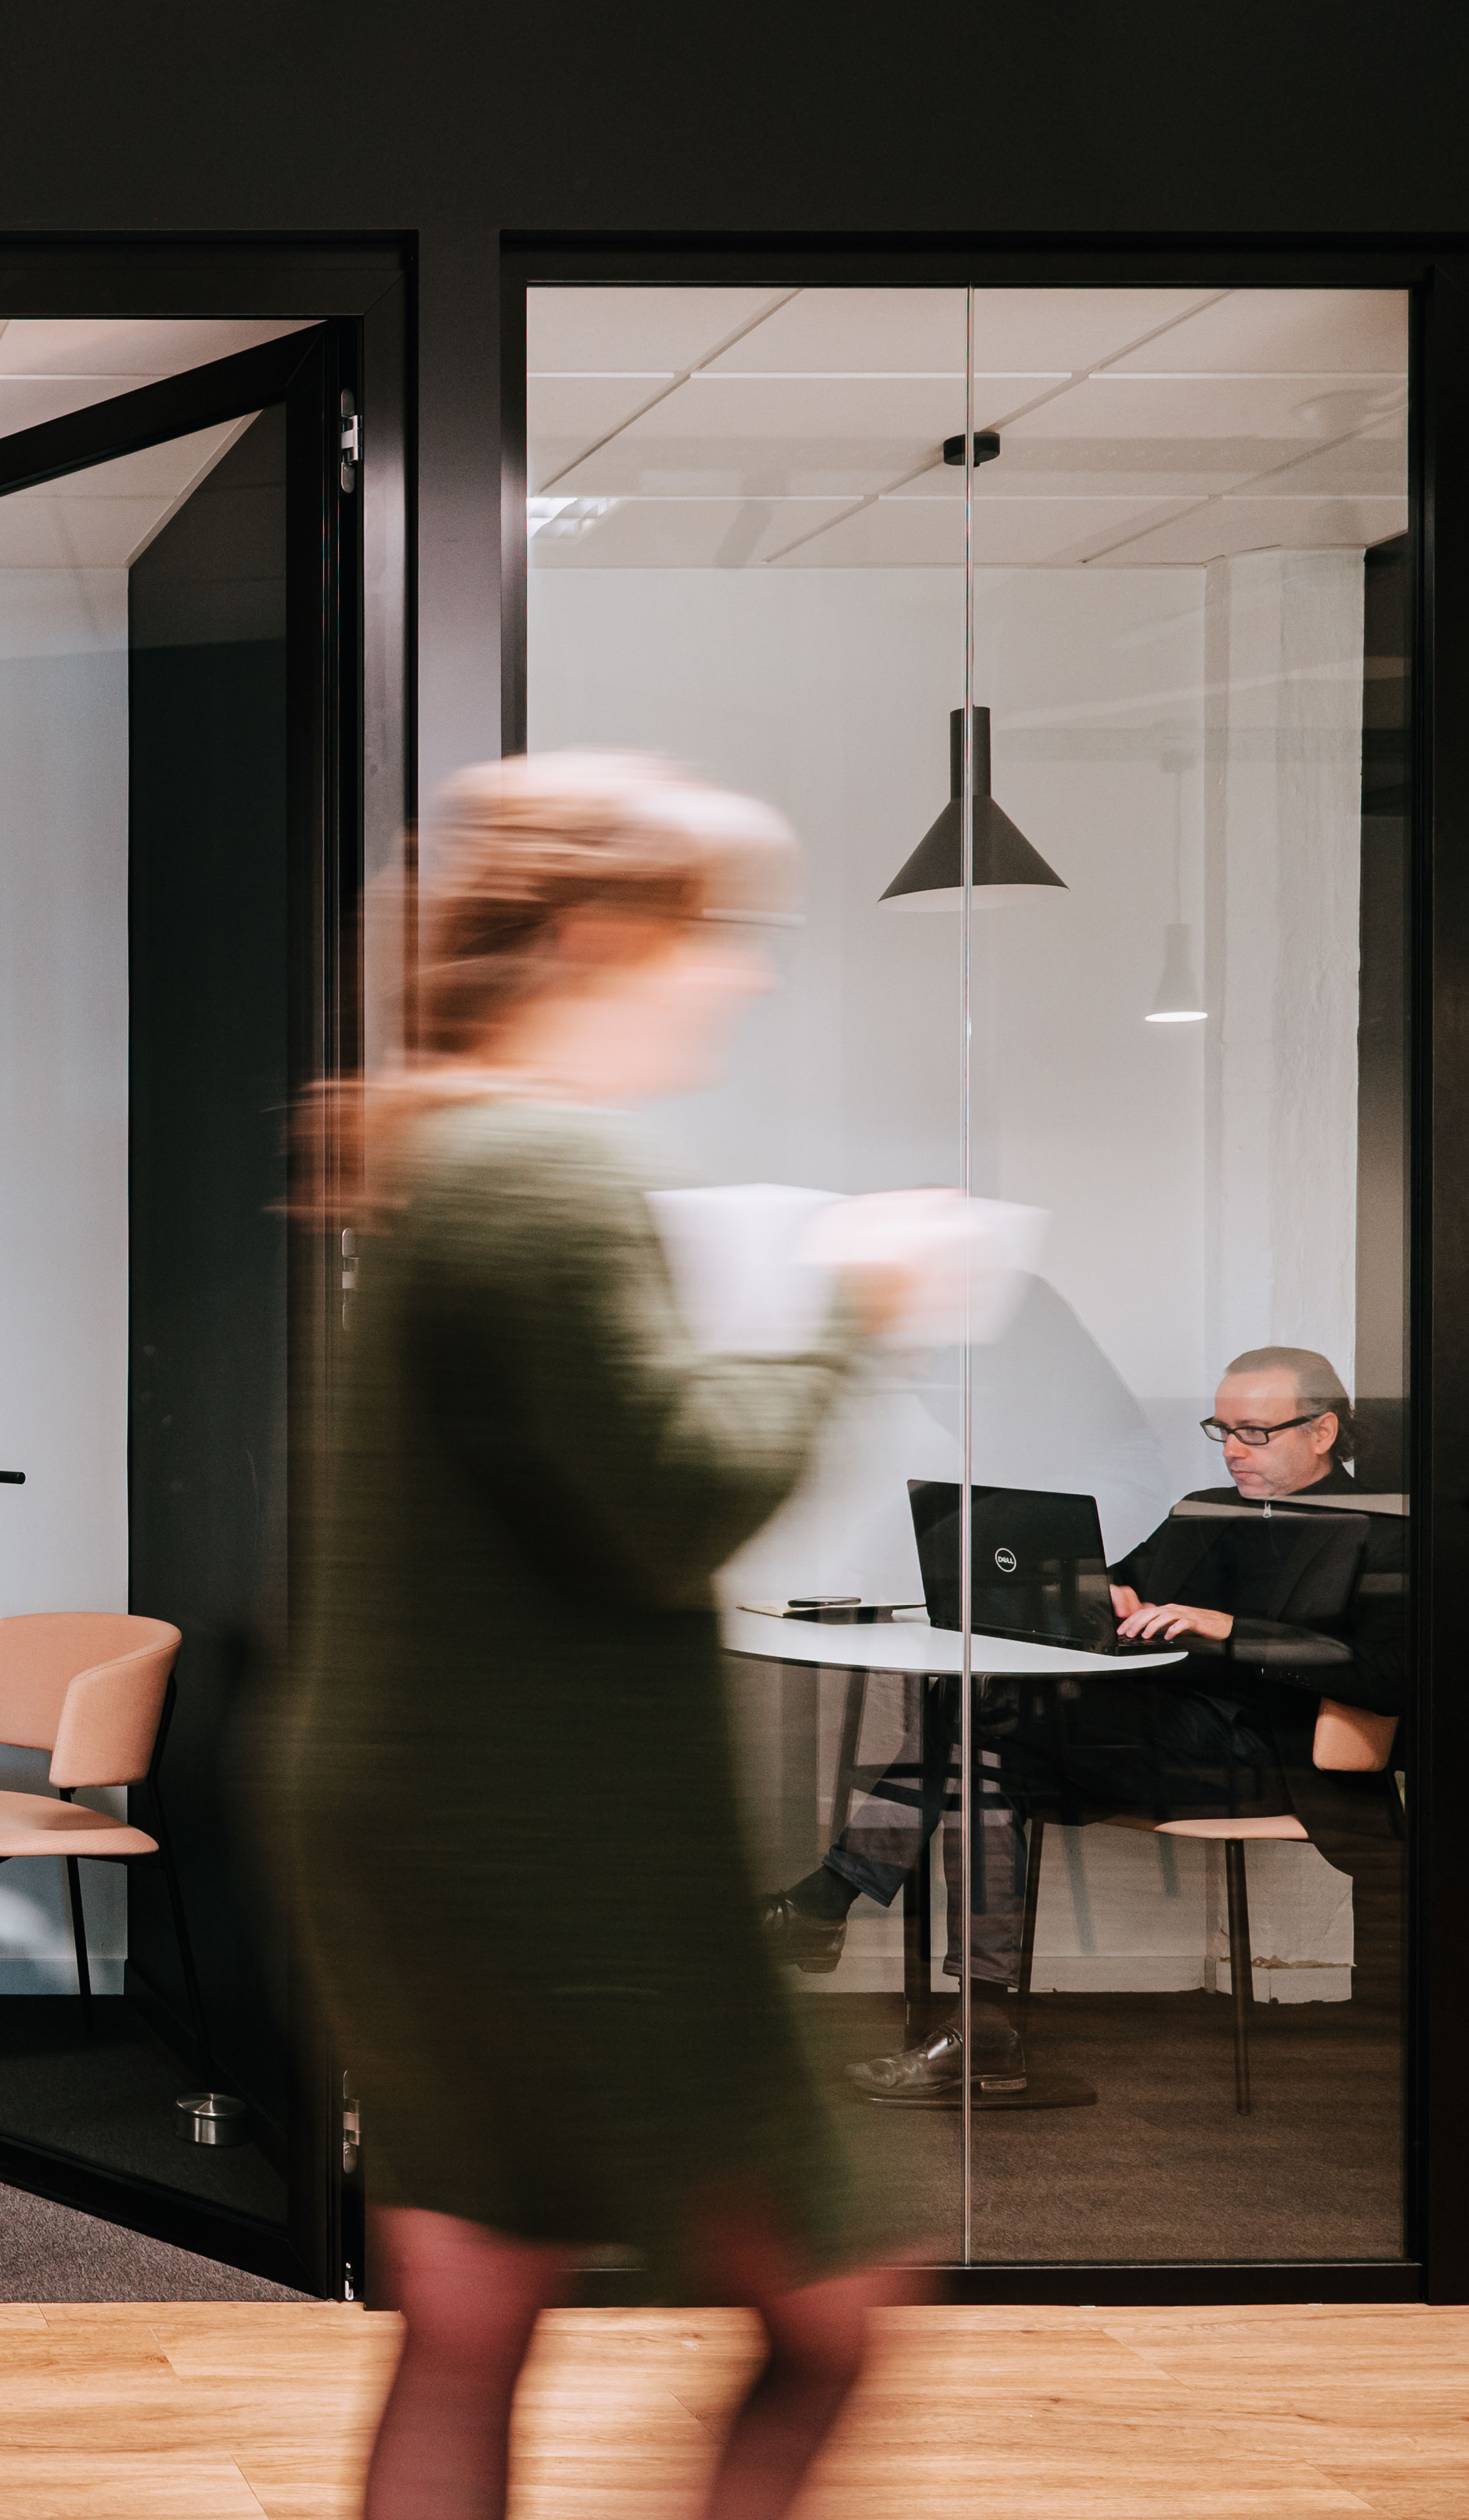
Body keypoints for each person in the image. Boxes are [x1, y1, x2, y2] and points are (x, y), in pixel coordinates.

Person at [277, 755, 937, 2520]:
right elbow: (675, 1503)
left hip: (417, 1820)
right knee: (832, 2307)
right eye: (723, 932)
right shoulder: (548, 1171)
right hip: (559, 1850)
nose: (749, 971)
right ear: (591, 935)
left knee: (475, 2309)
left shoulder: (447, 1160)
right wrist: (848, 1316)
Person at [770, 1345, 1406, 2100]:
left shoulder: (1386, 1529)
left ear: (1324, 1430)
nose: (1233, 1448)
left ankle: (835, 1905)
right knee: (979, 1756)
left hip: (1261, 1751)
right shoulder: (1204, 1510)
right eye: (1222, 1428)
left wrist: (1229, 1627)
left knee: (969, 1713)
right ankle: (983, 2029)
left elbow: (1391, 1676)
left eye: (1254, 1431)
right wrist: (1101, 1595)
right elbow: (1122, 1584)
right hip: (1153, 1733)